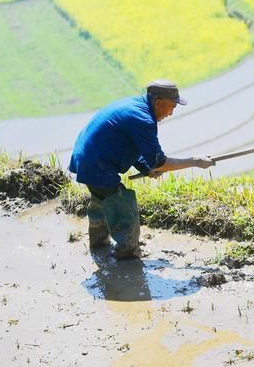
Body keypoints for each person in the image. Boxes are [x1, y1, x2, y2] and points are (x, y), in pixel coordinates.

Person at [69, 79, 214, 259]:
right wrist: (194, 161)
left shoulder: (135, 106)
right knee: (122, 205)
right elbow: (159, 161)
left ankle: (99, 246)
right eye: (172, 107)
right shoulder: (143, 120)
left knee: (101, 201)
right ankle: (128, 256)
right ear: (159, 102)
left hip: (87, 157)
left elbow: (131, 145)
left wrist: (146, 168)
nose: (171, 113)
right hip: (97, 164)